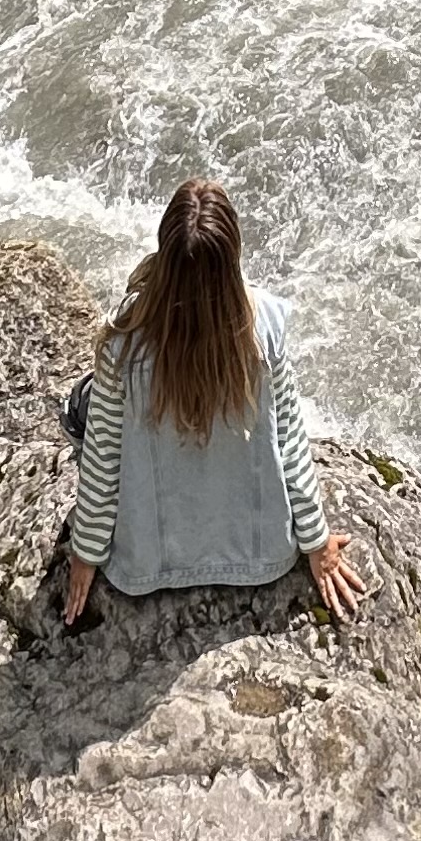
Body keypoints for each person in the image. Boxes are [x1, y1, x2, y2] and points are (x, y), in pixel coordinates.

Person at [62, 179, 363, 622]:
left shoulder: (122, 344)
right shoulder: (266, 328)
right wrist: (316, 544)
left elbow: (104, 463)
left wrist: (84, 555)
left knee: (84, 408)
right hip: (258, 557)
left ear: (163, 254)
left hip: (149, 563)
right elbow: (292, 446)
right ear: (233, 255)